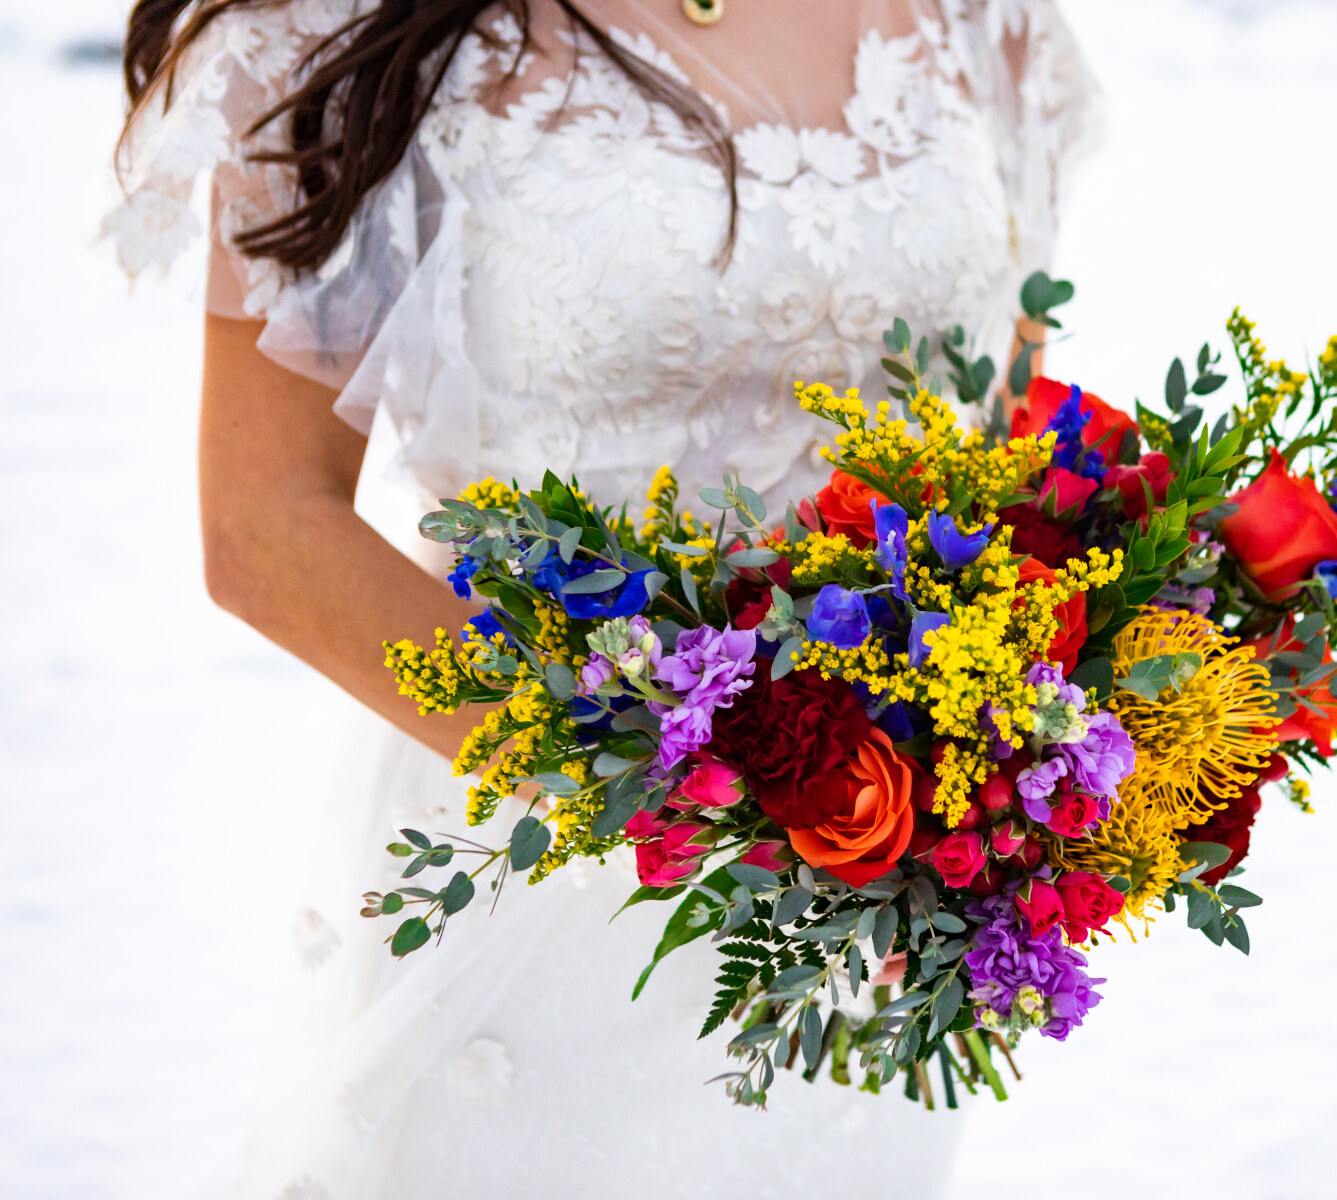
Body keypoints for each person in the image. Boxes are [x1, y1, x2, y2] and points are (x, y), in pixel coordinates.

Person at [109, 2, 1095, 1195]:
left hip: (865, 919)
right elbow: (265, 528)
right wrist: (695, 791)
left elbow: (996, 424)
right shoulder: (341, 30)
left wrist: (1073, 717)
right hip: (536, 874)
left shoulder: (980, 22)